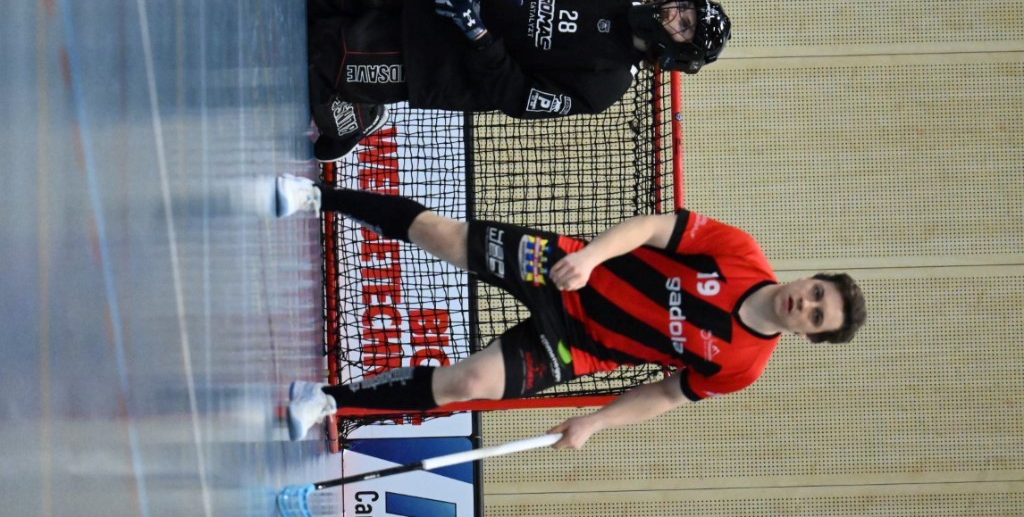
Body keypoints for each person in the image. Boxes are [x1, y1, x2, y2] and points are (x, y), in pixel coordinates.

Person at [275, 174, 867, 448]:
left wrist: (596, 422)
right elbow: (653, 228)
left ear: (808, 336)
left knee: (468, 385)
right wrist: (589, 257)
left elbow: (667, 394)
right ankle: (318, 196)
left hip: (579, 347)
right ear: (810, 278)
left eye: (817, 316)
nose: (806, 303)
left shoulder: (743, 366)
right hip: (564, 269)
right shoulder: (740, 251)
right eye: (817, 292)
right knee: (444, 237)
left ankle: (325, 399)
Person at [305, 0, 731, 161]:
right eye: (684, 7)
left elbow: (516, 96)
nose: (674, 13)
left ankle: (355, 116)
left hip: (432, 64)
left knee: (321, 52)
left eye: (684, 25)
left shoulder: (606, 86)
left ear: (678, 53)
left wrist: (478, 35)